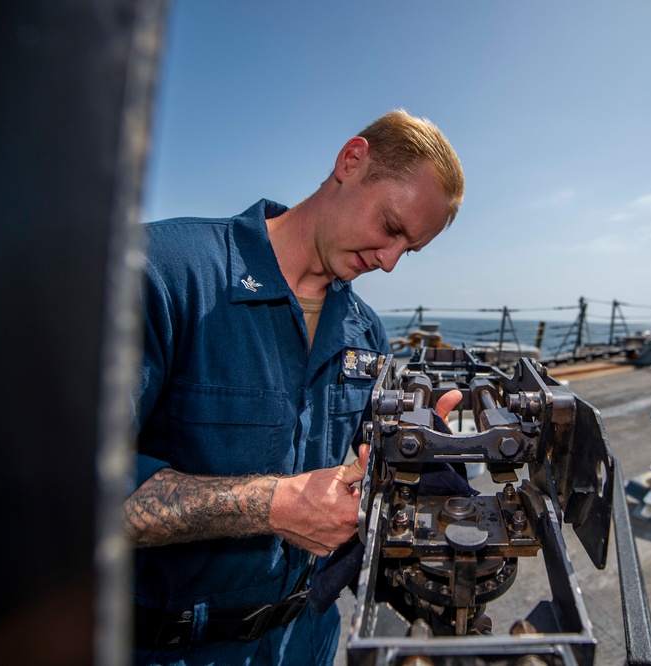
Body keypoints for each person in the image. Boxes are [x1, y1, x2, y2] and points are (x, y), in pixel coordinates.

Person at [124, 109, 465, 665]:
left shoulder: (367, 332)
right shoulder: (162, 273)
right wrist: (273, 505)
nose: (390, 262)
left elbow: (355, 468)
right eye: (391, 227)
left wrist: (419, 454)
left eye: (411, 250)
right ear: (351, 161)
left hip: (306, 642)